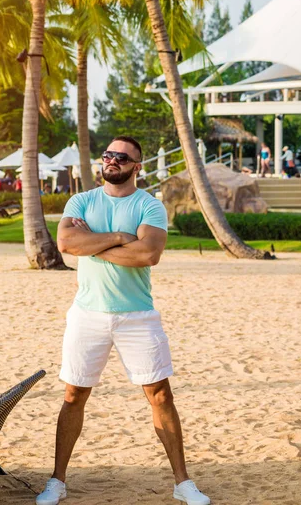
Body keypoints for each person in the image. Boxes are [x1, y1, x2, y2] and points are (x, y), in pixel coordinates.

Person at [36, 136, 210, 505]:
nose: (112, 160)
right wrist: (118, 238)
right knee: (73, 395)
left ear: (137, 166)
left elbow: (149, 253)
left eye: (121, 157)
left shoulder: (150, 205)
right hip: (87, 314)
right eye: (108, 155)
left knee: (160, 395)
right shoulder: (81, 200)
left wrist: (93, 244)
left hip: (138, 315)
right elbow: (67, 244)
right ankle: (57, 480)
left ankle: (183, 483)